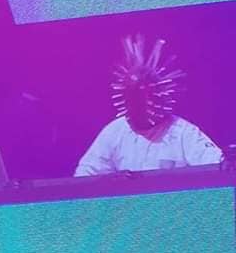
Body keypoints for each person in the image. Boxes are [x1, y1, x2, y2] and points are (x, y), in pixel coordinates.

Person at [75, 35, 222, 176]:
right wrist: (111, 182)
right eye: (135, 100)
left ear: (161, 97)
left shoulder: (183, 132)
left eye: (148, 99)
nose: (141, 106)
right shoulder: (114, 132)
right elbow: (85, 176)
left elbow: (217, 165)